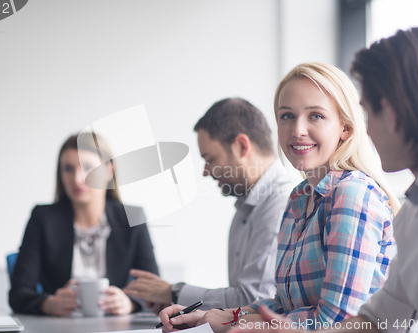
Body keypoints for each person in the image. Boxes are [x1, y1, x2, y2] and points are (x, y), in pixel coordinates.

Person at [158, 63, 401, 332]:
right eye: (287, 116)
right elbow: (285, 306)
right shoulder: (299, 198)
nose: (297, 129)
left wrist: (229, 321)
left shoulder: (350, 194)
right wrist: (208, 315)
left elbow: (335, 323)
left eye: (316, 116)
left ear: (345, 128)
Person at [124, 98, 300, 312]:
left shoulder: (281, 202)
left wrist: (174, 292)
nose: (206, 171)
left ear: (241, 146)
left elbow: (253, 300)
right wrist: (175, 299)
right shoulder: (248, 206)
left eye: (210, 158)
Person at [9, 133, 159, 316]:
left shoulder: (132, 217)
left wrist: (129, 303)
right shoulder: (42, 218)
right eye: (68, 169)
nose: (78, 179)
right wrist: (49, 303)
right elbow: (19, 293)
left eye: (88, 167)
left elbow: (155, 290)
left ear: (109, 171)